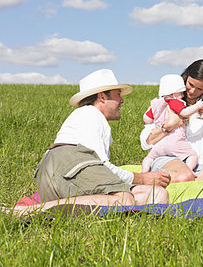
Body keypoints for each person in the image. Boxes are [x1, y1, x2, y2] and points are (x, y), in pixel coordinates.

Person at [11, 69, 170, 216]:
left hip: (59, 175)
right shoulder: (90, 115)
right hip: (66, 164)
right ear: (102, 97)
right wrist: (142, 178)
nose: (122, 101)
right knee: (124, 200)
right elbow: (101, 164)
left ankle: (57, 207)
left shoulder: (88, 117)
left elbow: (98, 172)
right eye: (117, 94)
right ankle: (29, 210)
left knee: (157, 195)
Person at [140, 59, 203, 182]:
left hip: (197, 163)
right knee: (184, 175)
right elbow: (146, 142)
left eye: (199, 89)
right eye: (190, 85)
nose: (192, 91)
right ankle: (188, 178)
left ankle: (190, 178)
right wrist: (169, 126)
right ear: (185, 79)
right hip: (168, 158)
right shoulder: (167, 102)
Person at [141, 74, 203, 173]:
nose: (182, 96)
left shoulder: (155, 103)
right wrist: (198, 106)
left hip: (159, 143)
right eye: (180, 93)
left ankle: (144, 172)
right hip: (175, 141)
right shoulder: (174, 101)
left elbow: (146, 119)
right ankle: (189, 171)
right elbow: (184, 112)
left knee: (149, 157)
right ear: (172, 94)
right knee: (193, 156)